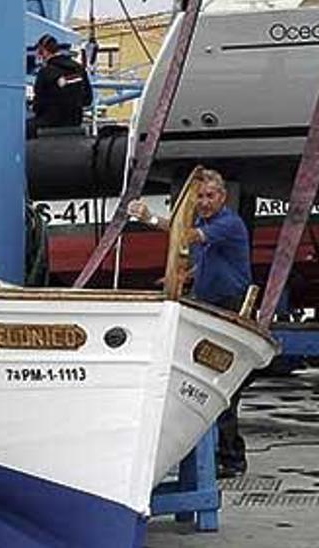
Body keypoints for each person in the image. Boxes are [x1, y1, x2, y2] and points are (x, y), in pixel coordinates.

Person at [128, 167, 252, 478]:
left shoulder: (228, 223)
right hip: (207, 302)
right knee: (208, 380)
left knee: (223, 383)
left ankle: (232, 457)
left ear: (223, 197)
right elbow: (204, 254)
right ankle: (220, 453)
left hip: (228, 307)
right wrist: (187, 276)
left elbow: (184, 234)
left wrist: (148, 218)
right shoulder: (204, 221)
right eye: (200, 197)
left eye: (210, 196)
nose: (205, 202)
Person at [30, 34, 93, 134]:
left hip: (50, 122)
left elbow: (38, 104)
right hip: (75, 121)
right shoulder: (79, 69)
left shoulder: (45, 72)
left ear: (43, 51)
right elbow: (88, 99)